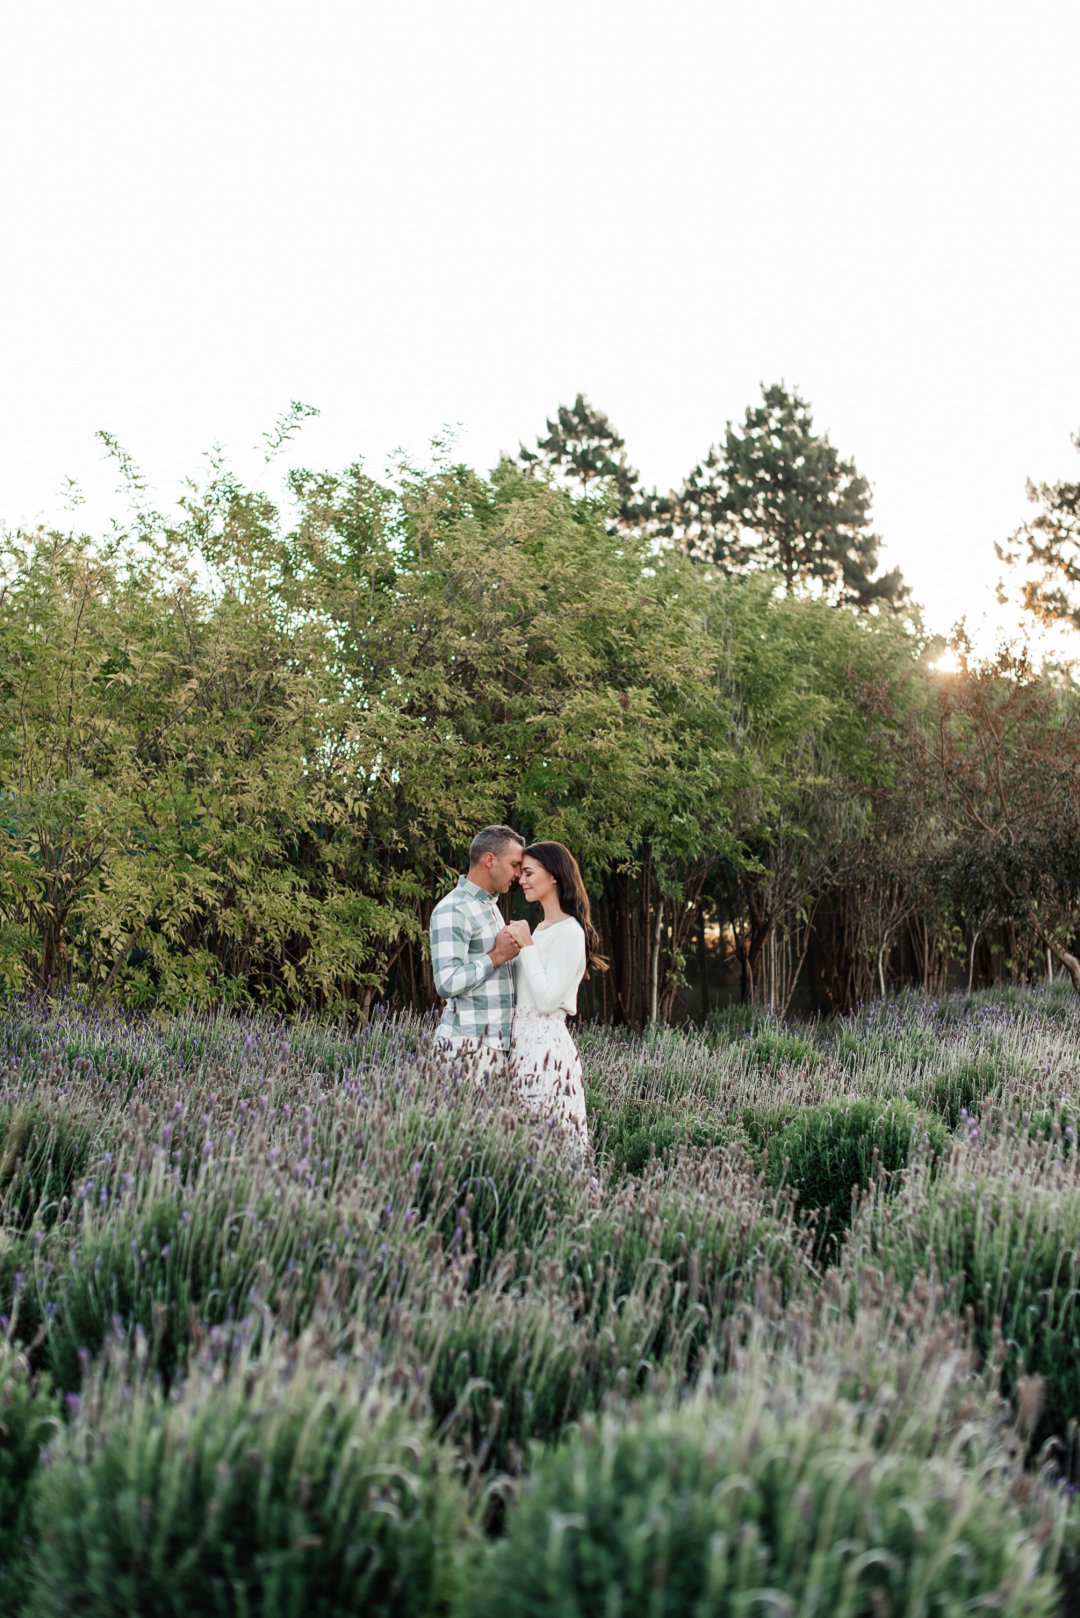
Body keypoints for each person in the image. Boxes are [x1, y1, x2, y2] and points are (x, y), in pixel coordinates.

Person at [506, 840, 607, 1150]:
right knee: (525, 1142)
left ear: (553, 876)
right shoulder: (542, 928)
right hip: (521, 1044)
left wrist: (527, 946)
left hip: (546, 1048)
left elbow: (548, 1000)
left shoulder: (570, 931)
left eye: (528, 873)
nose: (521, 880)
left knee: (552, 1142)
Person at [429, 826, 525, 1076]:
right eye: (514, 864)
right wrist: (497, 956)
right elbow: (447, 982)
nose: (518, 874)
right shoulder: (453, 909)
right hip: (466, 1049)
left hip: (494, 1048)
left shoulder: (490, 906)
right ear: (490, 860)